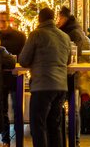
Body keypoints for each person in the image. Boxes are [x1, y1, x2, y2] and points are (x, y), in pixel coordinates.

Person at [18, 8, 72, 147]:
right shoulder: (64, 36)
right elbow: (68, 61)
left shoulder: (36, 34)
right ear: (53, 18)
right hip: (61, 86)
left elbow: (23, 60)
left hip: (42, 85)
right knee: (55, 125)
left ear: (39, 19)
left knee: (38, 125)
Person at [0, 11, 25, 143]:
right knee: (2, 109)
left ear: (8, 20)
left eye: (4, 20)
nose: (2, 23)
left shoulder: (19, 36)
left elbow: (24, 56)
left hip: (15, 76)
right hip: (0, 77)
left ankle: (18, 136)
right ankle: (5, 139)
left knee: (17, 108)